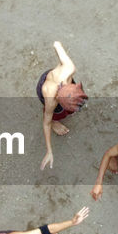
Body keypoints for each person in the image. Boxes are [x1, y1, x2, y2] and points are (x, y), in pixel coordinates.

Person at [36, 41, 88, 170]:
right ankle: (57, 122)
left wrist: (58, 48)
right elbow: (46, 122)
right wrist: (49, 150)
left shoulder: (69, 68)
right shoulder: (51, 99)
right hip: (46, 87)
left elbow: (56, 44)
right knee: (55, 114)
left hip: (58, 78)